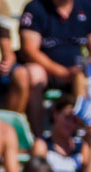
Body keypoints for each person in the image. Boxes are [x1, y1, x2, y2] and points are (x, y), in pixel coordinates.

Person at [20, 0, 91, 136]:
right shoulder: (35, 8)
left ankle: (83, 131)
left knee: (81, 74)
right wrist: (62, 72)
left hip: (77, 72)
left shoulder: (87, 6)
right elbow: (29, 50)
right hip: (46, 72)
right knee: (34, 73)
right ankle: (39, 136)